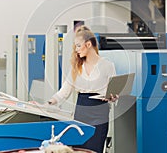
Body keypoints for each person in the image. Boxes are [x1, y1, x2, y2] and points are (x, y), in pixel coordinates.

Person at [48, 25, 118, 153]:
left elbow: (114, 92)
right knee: (80, 149)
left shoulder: (107, 66)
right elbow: (64, 91)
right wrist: (48, 103)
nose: (76, 50)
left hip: (100, 112)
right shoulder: (76, 67)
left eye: (78, 46)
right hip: (82, 111)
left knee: (95, 149)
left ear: (89, 44)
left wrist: (113, 97)